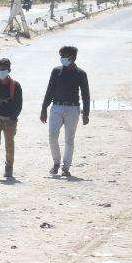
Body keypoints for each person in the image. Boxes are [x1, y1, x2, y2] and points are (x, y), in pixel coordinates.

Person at [40, 45, 90, 177]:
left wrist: (86, 113)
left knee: (69, 139)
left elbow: (86, 95)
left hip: (73, 108)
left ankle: (65, 166)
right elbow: (49, 90)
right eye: (61, 56)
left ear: (72, 58)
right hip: (56, 107)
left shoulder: (81, 73)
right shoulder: (56, 71)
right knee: (52, 136)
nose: (62, 59)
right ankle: (56, 162)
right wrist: (44, 108)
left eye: (64, 56)